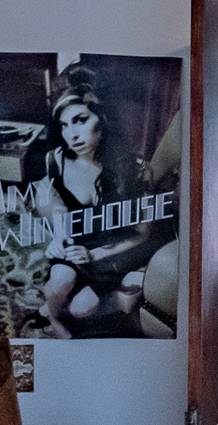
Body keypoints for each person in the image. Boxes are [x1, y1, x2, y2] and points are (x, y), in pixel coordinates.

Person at [24, 71, 172, 337]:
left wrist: (95, 255)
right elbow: (54, 200)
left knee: (82, 308)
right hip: (80, 241)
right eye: (64, 125)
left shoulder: (138, 171)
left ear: (102, 120)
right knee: (59, 282)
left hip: (119, 249)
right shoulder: (56, 160)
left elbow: (142, 234)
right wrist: (59, 235)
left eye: (80, 120)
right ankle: (56, 321)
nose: (71, 134)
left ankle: (72, 309)